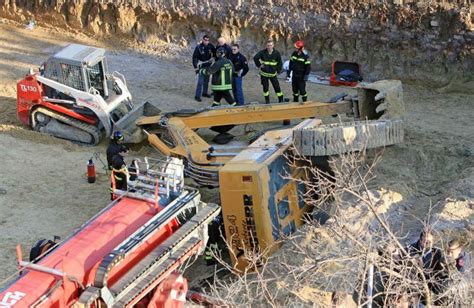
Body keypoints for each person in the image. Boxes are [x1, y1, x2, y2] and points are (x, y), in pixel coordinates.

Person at [192, 35, 215, 102]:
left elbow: (215, 52)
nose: (206, 41)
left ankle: (204, 93)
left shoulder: (210, 46)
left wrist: (213, 57)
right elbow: (195, 57)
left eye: (208, 40)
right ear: (203, 40)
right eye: (205, 40)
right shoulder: (198, 47)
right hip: (201, 66)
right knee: (200, 81)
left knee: (207, 80)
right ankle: (197, 96)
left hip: (208, 65)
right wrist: (195, 66)